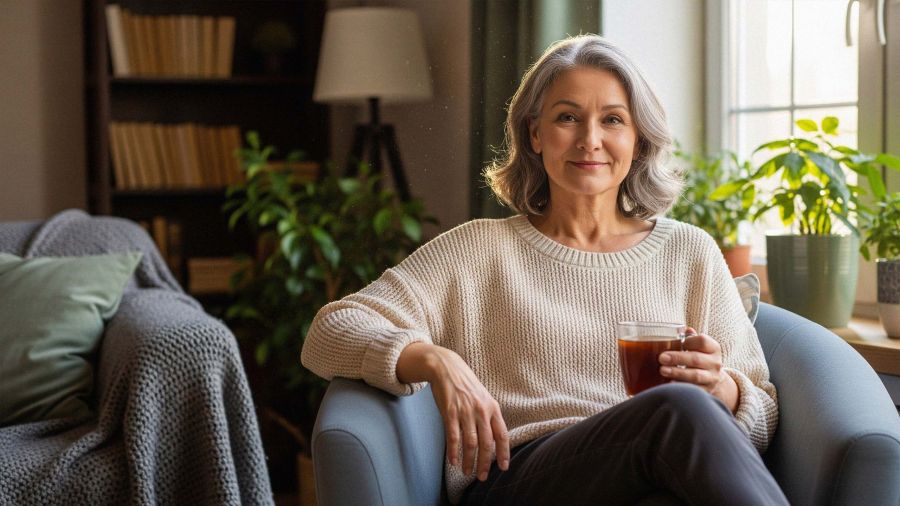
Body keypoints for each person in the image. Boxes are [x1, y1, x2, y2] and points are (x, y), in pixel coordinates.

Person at [301, 34, 788, 505]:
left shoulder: (689, 251)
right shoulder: (479, 249)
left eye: (613, 119)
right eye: (567, 117)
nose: (590, 140)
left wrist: (721, 389)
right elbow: (329, 330)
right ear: (535, 133)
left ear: (638, 140)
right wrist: (434, 358)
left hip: (656, 470)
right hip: (519, 478)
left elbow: (763, 410)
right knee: (677, 411)